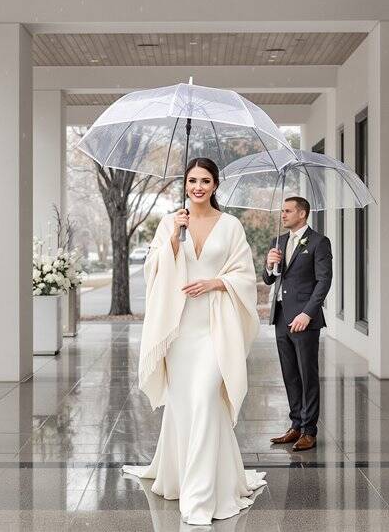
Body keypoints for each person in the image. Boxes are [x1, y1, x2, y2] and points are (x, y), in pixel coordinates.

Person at [122, 157, 266, 526]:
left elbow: (245, 276)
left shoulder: (231, 226)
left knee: (205, 397)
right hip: (180, 328)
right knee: (188, 405)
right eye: (191, 180)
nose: (197, 187)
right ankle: (203, 477)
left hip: (216, 325)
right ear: (184, 184)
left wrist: (216, 282)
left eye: (204, 180)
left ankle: (200, 499)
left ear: (215, 185)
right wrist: (172, 240)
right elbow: (152, 271)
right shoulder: (172, 223)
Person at [261, 197, 332, 452]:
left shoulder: (318, 242)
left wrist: (308, 314)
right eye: (282, 211)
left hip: (304, 320)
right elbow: (269, 280)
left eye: (288, 211)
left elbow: (323, 281)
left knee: (307, 375)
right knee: (290, 374)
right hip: (281, 317)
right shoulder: (278, 242)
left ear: (302, 214)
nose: (283, 215)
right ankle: (295, 425)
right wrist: (270, 265)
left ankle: (309, 431)